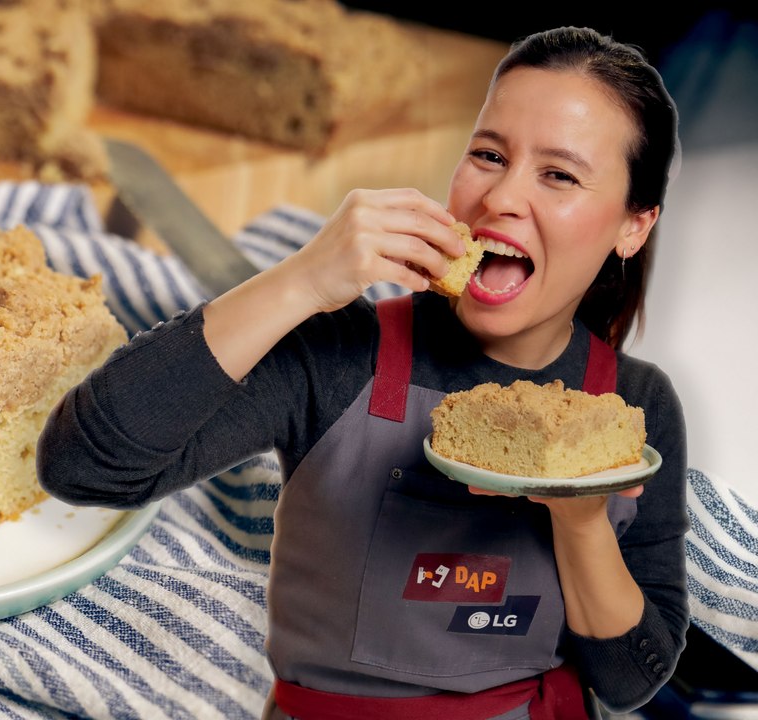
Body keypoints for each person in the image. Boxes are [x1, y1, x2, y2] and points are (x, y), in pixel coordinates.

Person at [37, 25, 688, 720]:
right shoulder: (343, 355)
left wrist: (582, 521)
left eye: (558, 174)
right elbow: (83, 466)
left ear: (633, 226)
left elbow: (631, 680)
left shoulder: (633, 406)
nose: (501, 197)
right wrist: (299, 282)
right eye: (489, 154)